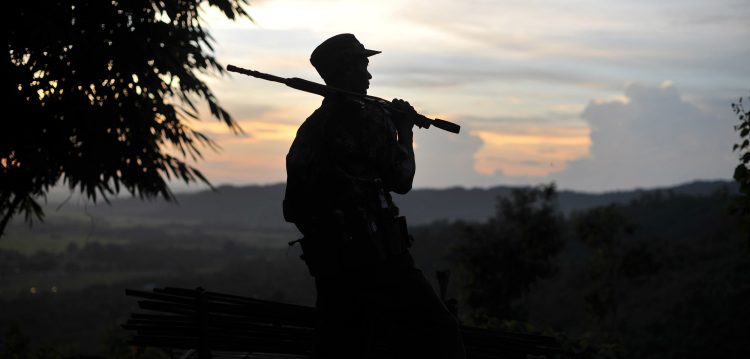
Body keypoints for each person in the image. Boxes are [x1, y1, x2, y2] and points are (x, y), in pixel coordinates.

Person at [283, 33, 466, 359]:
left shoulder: (310, 128)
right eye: (362, 67)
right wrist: (405, 130)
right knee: (440, 333)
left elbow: (293, 205)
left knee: (341, 346)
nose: (368, 76)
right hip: (379, 259)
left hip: (331, 263)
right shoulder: (369, 119)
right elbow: (402, 180)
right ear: (343, 72)